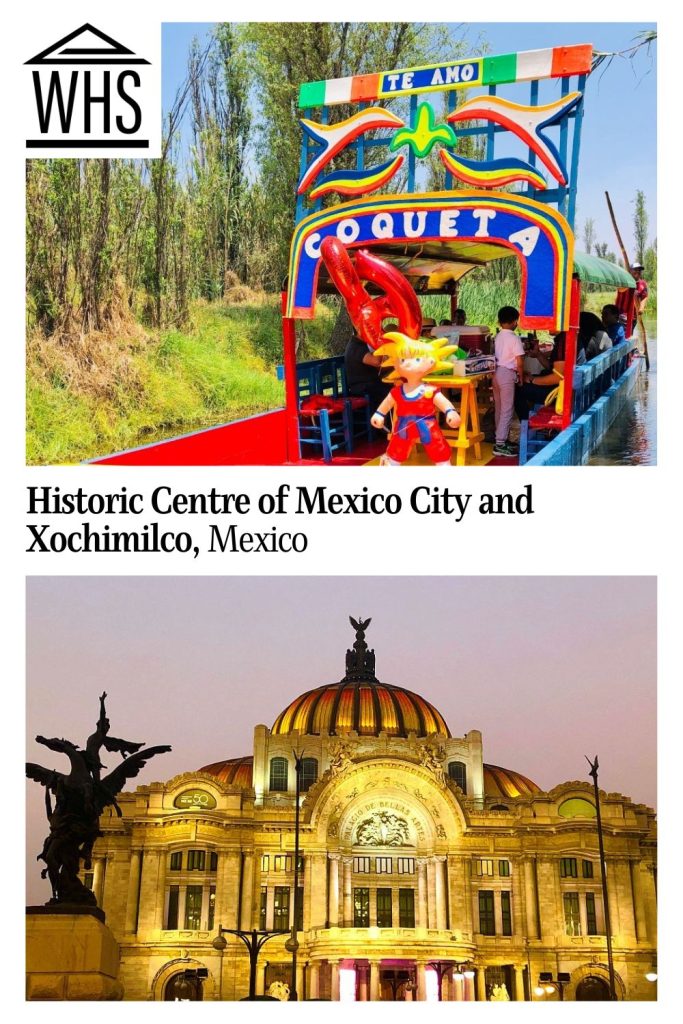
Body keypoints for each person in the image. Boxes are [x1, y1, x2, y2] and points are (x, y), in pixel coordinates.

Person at [370, 332, 461, 466]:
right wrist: (379, 414)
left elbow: (443, 402)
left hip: (428, 425)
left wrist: (450, 412)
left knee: (438, 447)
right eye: (402, 360)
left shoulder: (430, 390)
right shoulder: (397, 391)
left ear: (431, 362)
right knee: (396, 449)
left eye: (417, 359)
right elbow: (387, 403)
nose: (408, 364)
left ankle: (444, 465)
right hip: (403, 427)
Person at [492, 305, 524, 458]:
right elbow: (519, 361)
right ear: (514, 322)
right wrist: (522, 377)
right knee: (507, 410)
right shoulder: (514, 337)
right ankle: (500, 443)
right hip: (507, 374)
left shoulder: (498, 336)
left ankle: (500, 437)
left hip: (496, 372)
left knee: (499, 408)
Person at [344, 333, 392, 414]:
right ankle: (383, 423)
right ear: (359, 329)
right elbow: (376, 361)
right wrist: (381, 344)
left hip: (371, 384)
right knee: (393, 393)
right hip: (362, 388)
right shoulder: (355, 346)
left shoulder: (363, 345)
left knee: (396, 386)